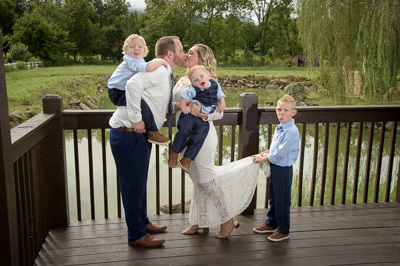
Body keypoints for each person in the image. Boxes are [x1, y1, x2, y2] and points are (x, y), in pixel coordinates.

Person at [171, 44, 259, 239]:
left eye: (191, 53)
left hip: (203, 137)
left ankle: (227, 220)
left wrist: (201, 113)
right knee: (196, 179)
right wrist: (178, 106)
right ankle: (198, 221)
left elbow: (219, 114)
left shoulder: (208, 82)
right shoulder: (183, 80)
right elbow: (172, 105)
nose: (187, 54)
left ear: (200, 60)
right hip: (186, 135)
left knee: (205, 179)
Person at [109, 36, 185, 248]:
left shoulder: (163, 72)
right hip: (128, 133)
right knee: (133, 186)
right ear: (169, 54)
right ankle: (136, 235)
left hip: (136, 134)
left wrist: (179, 106)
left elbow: (156, 99)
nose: (183, 54)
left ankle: (142, 223)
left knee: (139, 183)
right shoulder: (160, 70)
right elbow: (132, 85)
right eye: (180, 50)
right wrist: (136, 119)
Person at [252, 94, 300, 242]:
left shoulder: (291, 131)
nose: (281, 113)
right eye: (279, 109)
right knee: (273, 196)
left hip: (283, 169)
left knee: (282, 199)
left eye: (285, 110)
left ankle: (284, 229)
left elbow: (280, 153)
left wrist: (263, 158)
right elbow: (276, 148)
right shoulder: (280, 128)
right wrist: (268, 151)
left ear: (293, 112)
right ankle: (271, 223)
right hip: (275, 166)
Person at [108, 34, 170, 145]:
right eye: (132, 46)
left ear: (144, 50)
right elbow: (148, 68)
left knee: (144, 98)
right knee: (142, 103)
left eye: (140, 46)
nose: (136, 48)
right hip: (116, 91)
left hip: (122, 90)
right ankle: (153, 131)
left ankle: (155, 120)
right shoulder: (130, 60)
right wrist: (161, 61)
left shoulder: (140, 61)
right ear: (126, 50)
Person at [168, 65, 226, 173]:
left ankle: (187, 159)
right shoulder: (193, 89)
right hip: (190, 115)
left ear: (208, 75)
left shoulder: (214, 84)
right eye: (196, 80)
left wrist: (222, 104)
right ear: (193, 83)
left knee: (200, 136)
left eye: (202, 76)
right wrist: (183, 107)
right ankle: (174, 152)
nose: (200, 80)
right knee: (184, 130)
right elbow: (183, 97)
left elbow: (220, 95)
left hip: (203, 118)